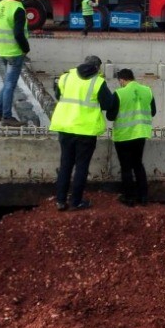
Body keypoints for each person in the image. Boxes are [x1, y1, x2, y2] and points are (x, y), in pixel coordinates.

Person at [50, 54, 117, 211]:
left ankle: (60, 201)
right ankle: (76, 202)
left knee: (65, 165)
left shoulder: (66, 77)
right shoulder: (98, 82)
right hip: (86, 131)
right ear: (97, 68)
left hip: (66, 128)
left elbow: (58, 96)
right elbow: (108, 104)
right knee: (81, 166)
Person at [110, 68, 156, 206]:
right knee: (138, 165)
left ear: (122, 80)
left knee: (126, 167)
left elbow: (110, 116)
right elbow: (153, 111)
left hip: (123, 136)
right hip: (140, 133)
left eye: (120, 81)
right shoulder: (147, 90)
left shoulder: (119, 93)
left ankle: (128, 198)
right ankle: (143, 197)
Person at [0, 0, 32, 127]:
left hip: (2, 50)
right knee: (10, 84)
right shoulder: (19, 9)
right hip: (15, 52)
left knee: (7, 83)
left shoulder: (0, 5)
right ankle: (7, 116)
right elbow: (18, 33)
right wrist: (25, 49)